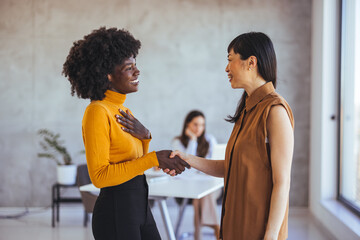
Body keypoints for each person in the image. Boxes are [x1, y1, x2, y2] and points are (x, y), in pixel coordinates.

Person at [62, 27, 190, 240]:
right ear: (108, 75)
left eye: (135, 65)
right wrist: (152, 158)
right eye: (129, 68)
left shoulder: (123, 111)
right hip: (116, 213)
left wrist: (146, 137)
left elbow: (135, 163)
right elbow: (100, 177)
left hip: (139, 206)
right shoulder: (97, 111)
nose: (137, 72)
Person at [169, 32, 294, 240]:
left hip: (258, 229)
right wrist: (188, 159)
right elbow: (231, 167)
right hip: (234, 223)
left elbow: (282, 182)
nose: (227, 68)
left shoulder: (275, 110)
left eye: (230, 60)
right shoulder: (246, 111)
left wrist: (270, 236)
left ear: (251, 62)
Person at [172, 110, 220, 240]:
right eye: (195, 124)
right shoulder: (178, 142)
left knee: (204, 194)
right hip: (189, 187)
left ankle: (199, 235)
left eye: (202, 125)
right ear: (187, 124)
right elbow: (187, 170)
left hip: (211, 187)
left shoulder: (210, 140)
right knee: (199, 198)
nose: (199, 128)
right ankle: (216, 228)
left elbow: (213, 168)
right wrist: (192, 141)